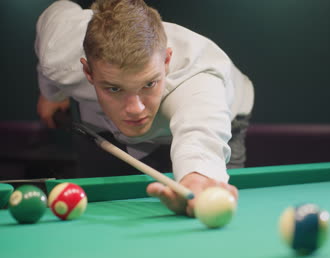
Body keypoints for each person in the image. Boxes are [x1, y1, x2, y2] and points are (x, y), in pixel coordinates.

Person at [35, 0, 254, 216]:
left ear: (166, 61)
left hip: (226, 117)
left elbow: (202, 134)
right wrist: (52, 94)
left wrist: (197, 177)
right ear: (88, 72)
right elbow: (57, 11)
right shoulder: (59, 53)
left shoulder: (197, 78)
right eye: (114, 88)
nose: (136, 109)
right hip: (104, 126)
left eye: (149, 83)